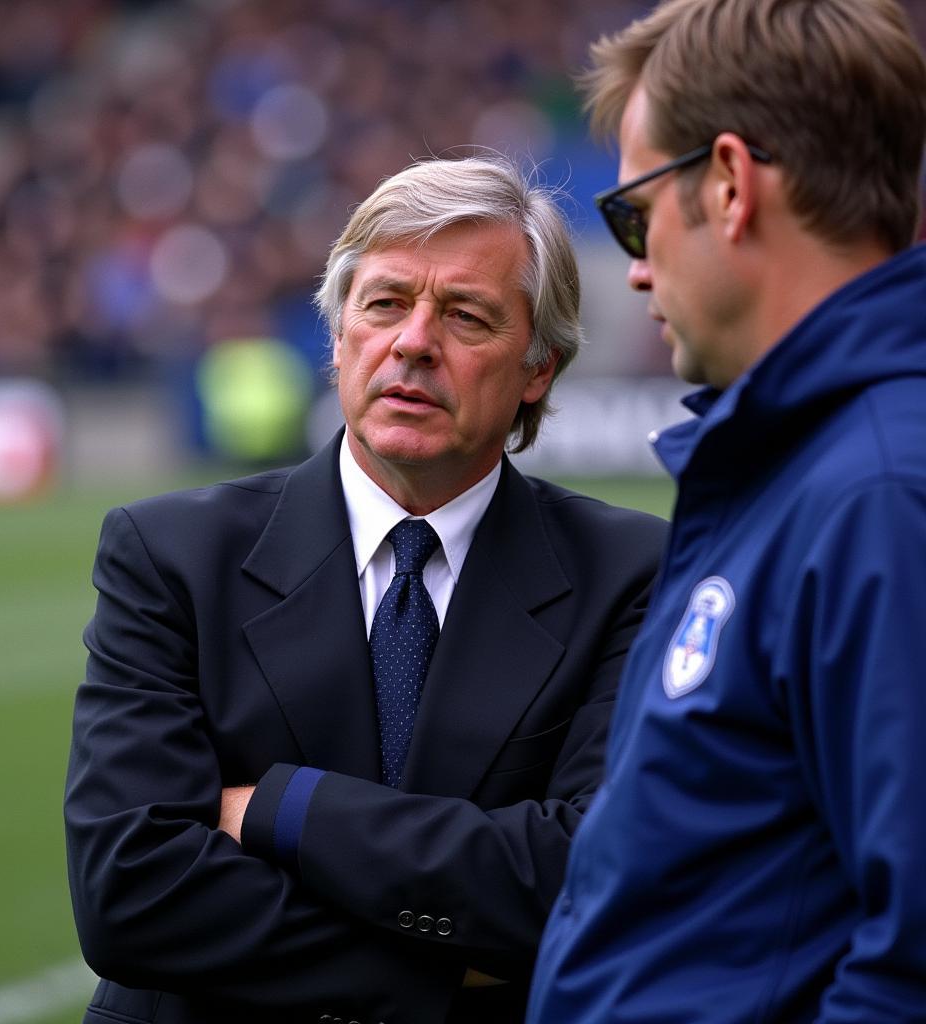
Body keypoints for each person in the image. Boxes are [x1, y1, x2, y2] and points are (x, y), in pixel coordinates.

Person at [64, 155, 667, 1024]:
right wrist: (443, 977)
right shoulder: (166, 555)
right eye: (385, 303)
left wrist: (283, 808)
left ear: (539, 368)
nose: (414, 341)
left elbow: (591, 874)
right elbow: (129, 895)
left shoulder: (634, 573)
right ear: (339, 333)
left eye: (466, 315)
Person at [527, 2, 926, 1022]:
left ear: (731, 184)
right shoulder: (801, 467)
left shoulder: (877, 493)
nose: (634, 266)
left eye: (632, 215)